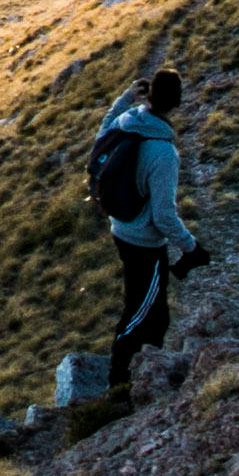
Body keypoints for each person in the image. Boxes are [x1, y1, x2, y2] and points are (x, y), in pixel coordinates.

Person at [86, 59, 202, 387]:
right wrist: (190, 246)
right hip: (144, 244)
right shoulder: (163, 153)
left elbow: (102, 131)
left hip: (120, 228)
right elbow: (164, 216)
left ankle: (138, 378)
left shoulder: (128, 120)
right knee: (141, 314)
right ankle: (121, 384)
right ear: (177, 103)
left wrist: (125, 97)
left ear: (148, 95)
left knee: (153, 312)